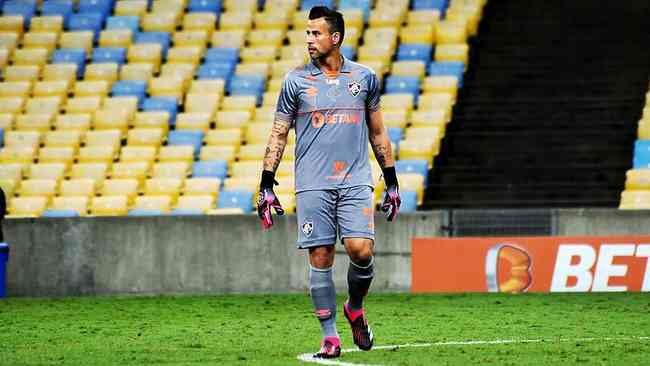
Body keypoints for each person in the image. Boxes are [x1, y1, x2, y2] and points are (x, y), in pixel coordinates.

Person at [256, 6, 401, 359]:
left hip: (355, 181)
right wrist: (266, 184)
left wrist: (392, 181)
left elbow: (378, 132)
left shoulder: (364, 79)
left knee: (359, 250)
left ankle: (354, 306)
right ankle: (330, 336)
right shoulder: (295, 82)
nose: (309, 39)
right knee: (320, 255)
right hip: (312, 183)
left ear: (335, 38)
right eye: (307, 33)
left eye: (316, 33)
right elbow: (278, 133)